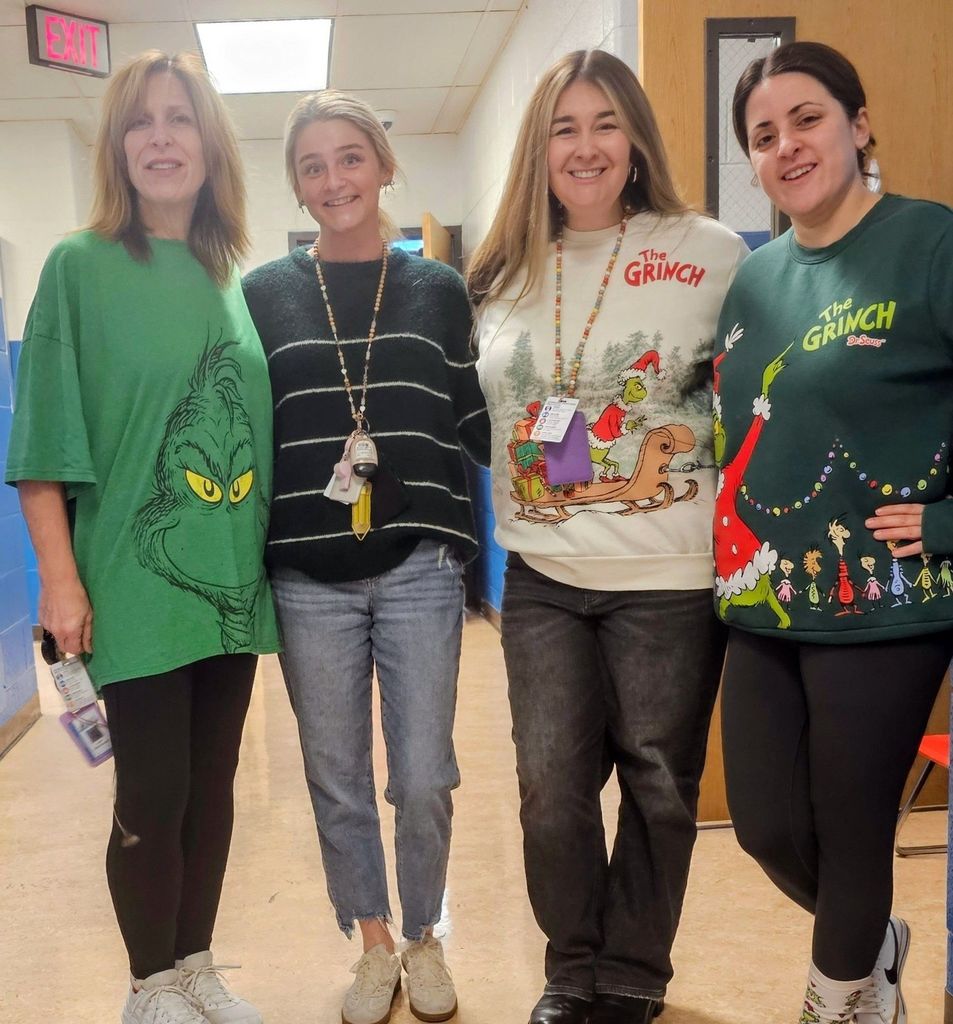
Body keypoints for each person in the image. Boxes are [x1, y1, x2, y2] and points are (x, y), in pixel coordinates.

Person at [467, 49, 748, 1024]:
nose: (583, 147)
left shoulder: (707, 250)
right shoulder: (501, 269)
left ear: (634, 139)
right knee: (549, 788)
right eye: (562, 128)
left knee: (658, 782)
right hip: (542, 572)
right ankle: (569, 962)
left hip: (669, 573)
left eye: (603, 124)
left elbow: (757, 400)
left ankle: (630, 972)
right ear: (536, 149)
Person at [5, 51, 280, 1024]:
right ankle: (148, 983)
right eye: (141, 122)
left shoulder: (230, 276)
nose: (162, 138)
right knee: (151, 791)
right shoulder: (80, 267)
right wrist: (60, 578)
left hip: (230, 587)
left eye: (180, 118)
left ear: (210, 144)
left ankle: (196, 961)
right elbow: (43, 441)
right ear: (119, 149)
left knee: (213, 788)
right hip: (131, 577)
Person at [714, 39, 953, 1024]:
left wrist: (944, 519)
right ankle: (870, 942)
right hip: (767, 600)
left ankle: (840, 1000)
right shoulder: (754, 281)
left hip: (885, 601)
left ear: (857, 125)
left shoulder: (928, 243)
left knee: (850, 831)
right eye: (762, 136)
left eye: (805, 119)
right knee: (765, 825)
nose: (785, 146)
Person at [242, 90, 489, 1024]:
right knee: (334, 773)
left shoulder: (437, 287)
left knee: (422, 773)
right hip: (306, 574)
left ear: (385, 165)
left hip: (421, 562)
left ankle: (426, 936)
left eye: (350, 157)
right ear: (297, 187)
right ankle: (373, 943)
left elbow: (473, 418)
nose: (333, 178)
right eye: (312, 165)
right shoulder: (264, 293)